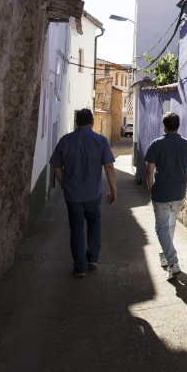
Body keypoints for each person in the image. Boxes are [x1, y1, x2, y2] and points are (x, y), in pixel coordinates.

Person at [50, 108, 117, 278]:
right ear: (92, 122)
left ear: (76, 122)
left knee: (77, 228)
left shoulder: (65, 140)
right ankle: (92, 258)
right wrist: (113, 189)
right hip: (93, 193)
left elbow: (57, 167)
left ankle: (79, 267)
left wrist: (64, 184)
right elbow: (108, 166)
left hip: (73, 195)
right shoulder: (100, 140)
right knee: (94, 223)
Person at [145, 111, 187, 280]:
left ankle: (173, 262)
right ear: (179, 126)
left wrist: (151, 188)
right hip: (178, 193)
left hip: (161, 192)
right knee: (170, 226)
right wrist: (184, 181)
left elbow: (150, 170)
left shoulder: (156, 144)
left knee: (161, 228)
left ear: (164, 126)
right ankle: (164, 257)